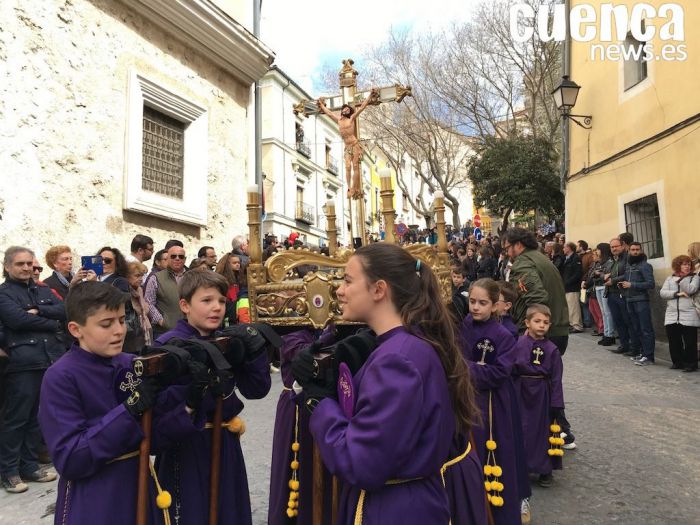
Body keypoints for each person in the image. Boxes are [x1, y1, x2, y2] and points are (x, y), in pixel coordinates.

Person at [292, 243, 479, 524]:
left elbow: (362, 462)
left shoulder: (397, 359)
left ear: (379, 290)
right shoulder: (405, 346)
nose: (339, 291)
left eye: (348, 281)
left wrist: (321, 405)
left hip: (392, 511)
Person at [37, 281, 192, 524]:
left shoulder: (131, 363)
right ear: (76, 329)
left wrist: (189, 398)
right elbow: (70, 459)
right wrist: (128, 411)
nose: (119, 331)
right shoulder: (60, 377)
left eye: (121, 320)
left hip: (140, 485)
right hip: (96, 497)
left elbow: (153, 438)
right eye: (106, 324)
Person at [154, 270, 271, 525]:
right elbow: (158, 419)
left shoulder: (226, 341)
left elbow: (256, 389)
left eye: (220, 301)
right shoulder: (167, 348)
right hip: (187, 448)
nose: (216, 308)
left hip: (226, 444)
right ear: (185, 305)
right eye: (206, 301)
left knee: (228, 511)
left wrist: (255, 352)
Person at [460, 278, 529, 525]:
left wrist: (463, 369)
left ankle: (499, 514)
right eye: (472, 301)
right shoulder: (464, 325)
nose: (476, 307)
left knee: (494, 454)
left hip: (493, 404)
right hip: (466, 398)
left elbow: (500, 372)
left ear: (495, 305)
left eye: (482, 303)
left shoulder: (503, 335)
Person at [0, 246, 64, 493]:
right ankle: (9, 471)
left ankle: (29, 466)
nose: (27, 268)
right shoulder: (4, 294)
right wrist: (49, 323)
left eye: (29, 263)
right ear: (7, 267)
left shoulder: (43, 289)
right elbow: (17, 320)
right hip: (22, 362)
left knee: (37, 418)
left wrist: (41, 312)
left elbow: (64, 309)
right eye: (20, 264)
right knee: (16, 418)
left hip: (49, 359)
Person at [512, 305, 565, 488]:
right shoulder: (518, 344)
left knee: (541, 431)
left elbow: (557, 378)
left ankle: (544, 470)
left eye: (545, 322)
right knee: (520, 429)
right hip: (520, 391)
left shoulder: (552, 350)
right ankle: (521, 468)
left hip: (541, 394)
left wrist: (557, 402)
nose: (541, 325)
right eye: (537, 321)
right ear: (527, 323)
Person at [317, 87, 379, 198]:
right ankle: (349, 187)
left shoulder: (352, 118)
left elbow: (362, 107)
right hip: (347, 147)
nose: (345, 110)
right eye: (344, 109)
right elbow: (329, 113)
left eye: (347, 109)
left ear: (349, 111)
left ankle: (355, 187)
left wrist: (370, 95)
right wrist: (321, 105)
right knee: (347, 167)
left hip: (355, 145)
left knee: (355, 166)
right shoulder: (339, 120)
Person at [660, 255, 700, 372]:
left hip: (689, 313)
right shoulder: (670, 278)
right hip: (672, 314)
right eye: (684, 264)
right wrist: (677, 294)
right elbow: (663, 293)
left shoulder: (695, 278)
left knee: (690, 341)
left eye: (688, 264)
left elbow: (691, 290)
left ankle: (691, 364)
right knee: (674, 341)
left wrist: (682, 279)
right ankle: (677, 362)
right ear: (678, 265)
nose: (687, 267)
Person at [620, 242, 656, 366]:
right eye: (632, 250)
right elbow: (625, 278)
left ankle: (649, 356)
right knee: (637, 329)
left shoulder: (645, 265)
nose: (635, 252)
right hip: (630, 300)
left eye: (637, 250)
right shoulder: (629, 266)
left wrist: (632, 285)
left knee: (646, 329)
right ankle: (642, 353)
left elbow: (651, 284)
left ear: (641, 251)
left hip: (641, 301)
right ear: (629, 251)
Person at [605, 238, 639, 356]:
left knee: (628, 321)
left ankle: (634, 347)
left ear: (622, 246)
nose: (614, 249)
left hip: (623, 294)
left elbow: (628, 274)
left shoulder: (628, 258)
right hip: (612, 293)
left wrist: (613, 280)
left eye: (616, 246)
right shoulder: (614, 260)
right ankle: (624, 345)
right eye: (612, 247)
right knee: (618, 321)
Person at [145, 245, 187, 337]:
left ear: (185, 259)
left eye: (181, 256)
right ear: (167, 259)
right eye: (173, 256)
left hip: (189, 328)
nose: (177, 259)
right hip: (164, 332)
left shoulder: (192, 276)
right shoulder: (155, 278)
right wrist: (161, 321)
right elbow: (149, 302)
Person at [123, 261, 153, 353]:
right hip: (132, 334)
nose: (140, 279)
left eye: (141, 276)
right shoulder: (126, 292)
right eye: (137, 276)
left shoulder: (139, 289)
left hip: (144, 331)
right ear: (127, 277)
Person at [215, 253, 250, 326]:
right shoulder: (225, 280)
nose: (238, 265)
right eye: (234, 263)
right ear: (227, 265)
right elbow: (233, 298)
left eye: (238, 263)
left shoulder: (239, 277)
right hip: (229, 311)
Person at [591, 243, 616, 346]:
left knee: (607, 311)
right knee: (603, 312)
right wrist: (599, 274)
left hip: (605, 287)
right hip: (598, 287)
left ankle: (610, 334)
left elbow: (606, 276)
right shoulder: (599, 262)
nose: (597, 251)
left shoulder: (610, 261)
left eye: (598, 249)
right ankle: (605, 333)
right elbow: (593, 274)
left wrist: (599, 274)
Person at [560, 242, 583, 333]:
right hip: (567, 287)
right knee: (570, 307)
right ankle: (572, 324)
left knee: (574, 307)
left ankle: (577, 325)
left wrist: (567, 282)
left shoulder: (576, 258)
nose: (563, 249)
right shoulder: (567, 258)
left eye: (564, 247)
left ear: (569, 248)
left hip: (573, 287)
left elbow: (577, 273)